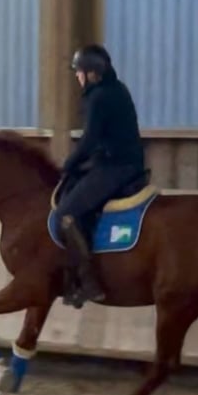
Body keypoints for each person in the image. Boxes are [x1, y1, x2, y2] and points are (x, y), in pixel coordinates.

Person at [54, 44, 147, 308]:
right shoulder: (115, 89)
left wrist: (68, 164)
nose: (77, 76)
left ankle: (89, 283)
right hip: (118, 160)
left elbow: (88, 140)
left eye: (80, 71)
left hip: (116, 166)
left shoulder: (99, 97)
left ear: (93, 73)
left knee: (66, 215)